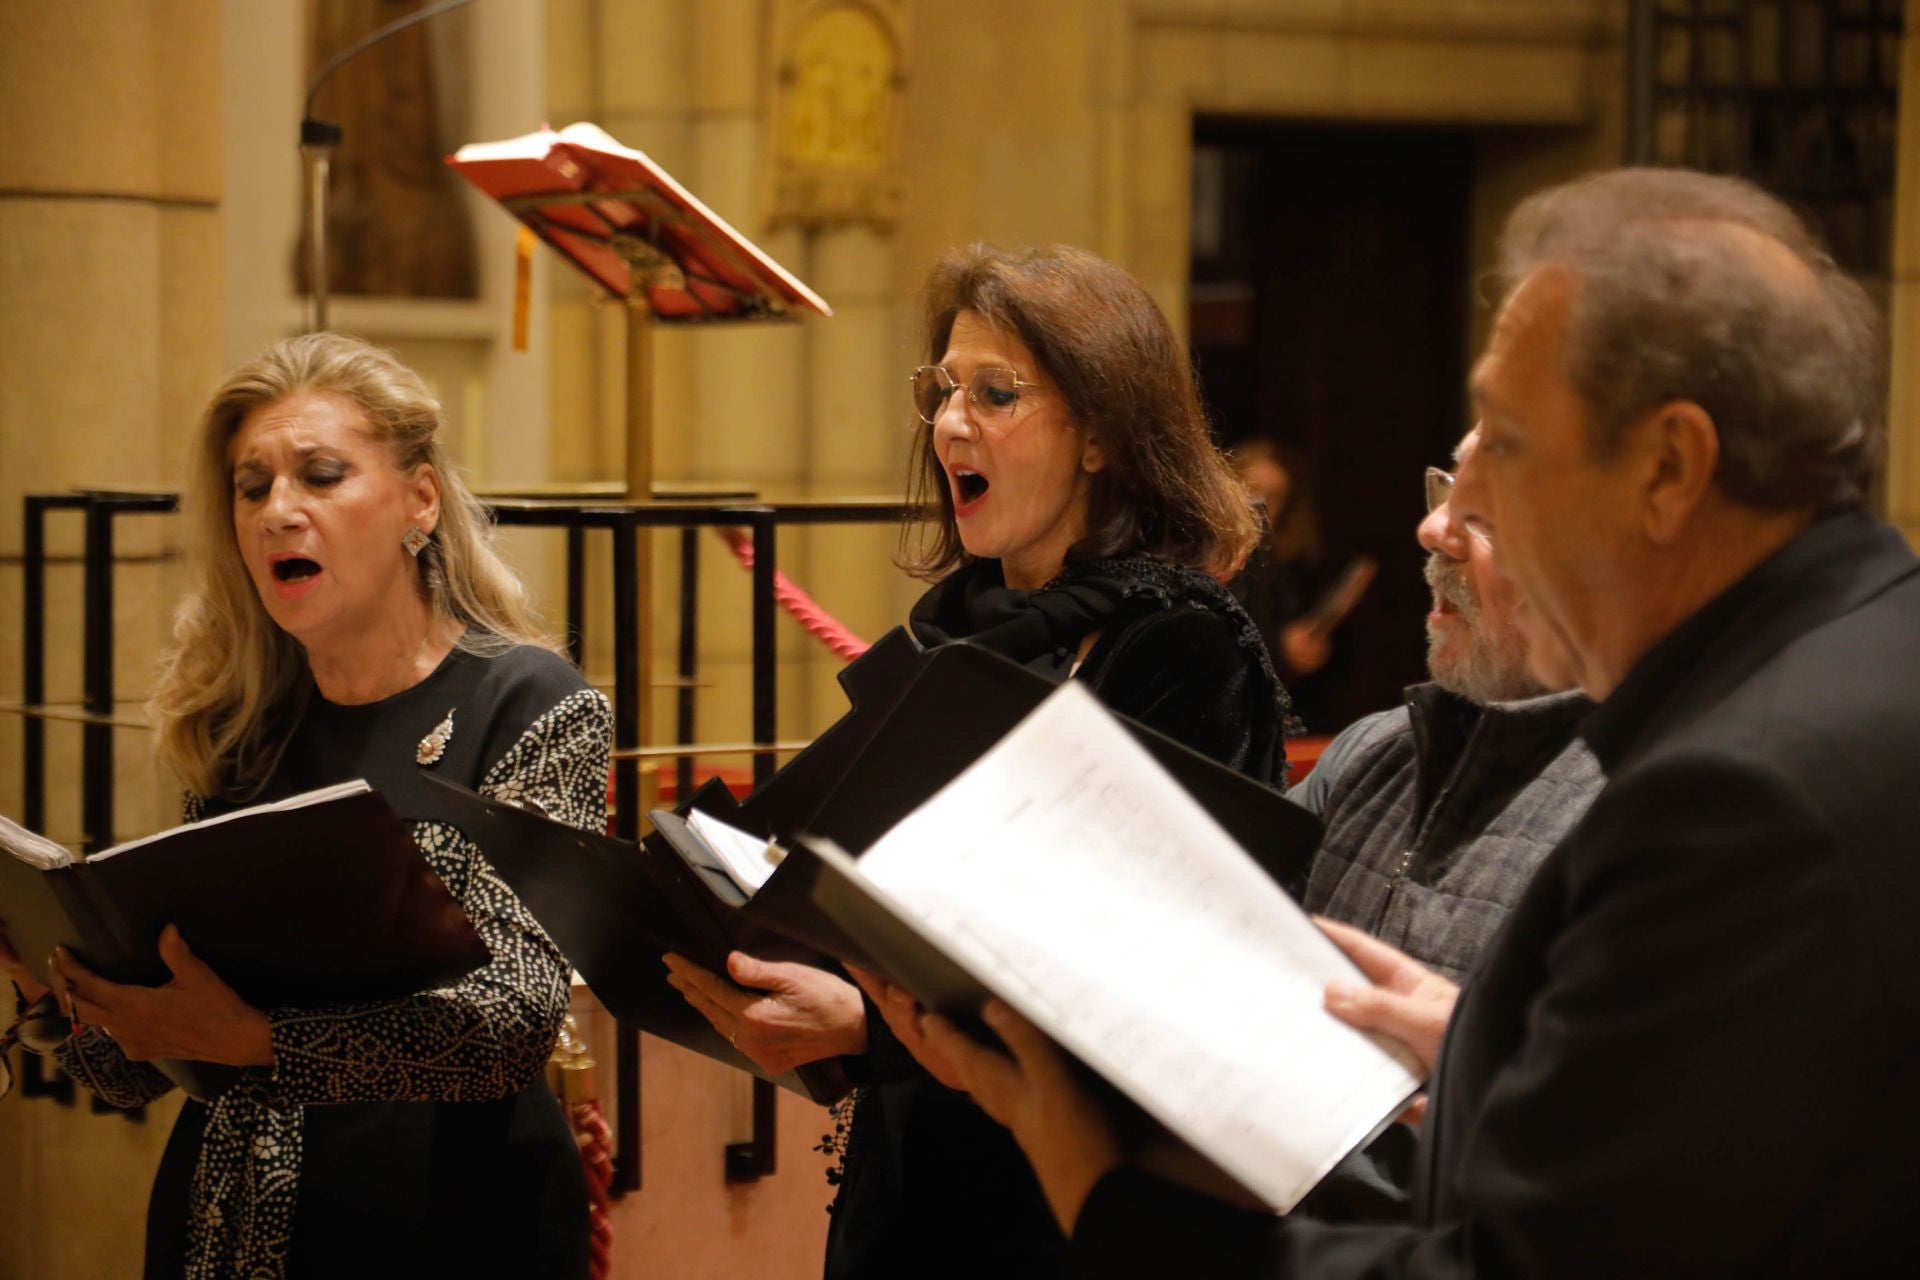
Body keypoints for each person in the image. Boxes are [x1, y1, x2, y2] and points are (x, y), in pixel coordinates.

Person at [917, 167, 1917, 1275]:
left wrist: (1101, 1195)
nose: (1457, 501)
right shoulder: (1873, 648)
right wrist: (1488, 1049)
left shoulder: (1736, 796)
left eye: (1511, 440)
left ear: (1669, 468)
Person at [661, 242, 1290, 1279]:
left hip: (1069, 1211)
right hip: (911, 1185)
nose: (953, 422)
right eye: (944, 391)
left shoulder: (1181, 644)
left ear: (1098, 433)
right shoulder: (962, 636)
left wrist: (866, 1024)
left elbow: (1130, 983)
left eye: (997, 393)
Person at [0, 333, 611, 1279]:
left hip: (453, 1224)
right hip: (230, 1229)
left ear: (419, 501)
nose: (280, 511)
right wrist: (56, 985)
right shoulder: (245, 728)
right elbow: (139, 1068)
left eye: (320, 476)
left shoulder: (531, 704)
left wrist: (261, 1042)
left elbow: (510, 1025)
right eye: (253, 488)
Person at [1289, 430, 1601, 1222]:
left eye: (1487, 510)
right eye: (1446, 490)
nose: (1433, 530)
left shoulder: (1635, 816)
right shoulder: (1369, 754)